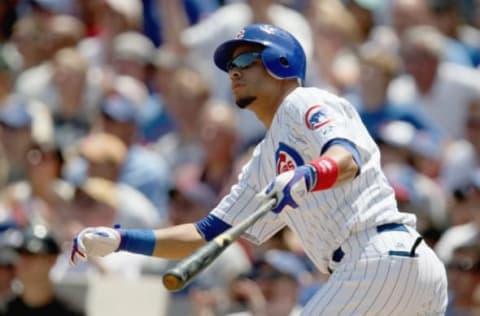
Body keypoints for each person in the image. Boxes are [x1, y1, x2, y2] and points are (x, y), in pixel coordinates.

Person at [70, 24, 448, 315]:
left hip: (376, 256)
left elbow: (346, 156)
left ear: (280, 62)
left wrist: (309, 174)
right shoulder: (262, 160)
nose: (233, 72)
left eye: (245, 60)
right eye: (230, 66)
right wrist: (122, 240)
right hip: (390, 271)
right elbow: (207, 233)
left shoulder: (304, 101)